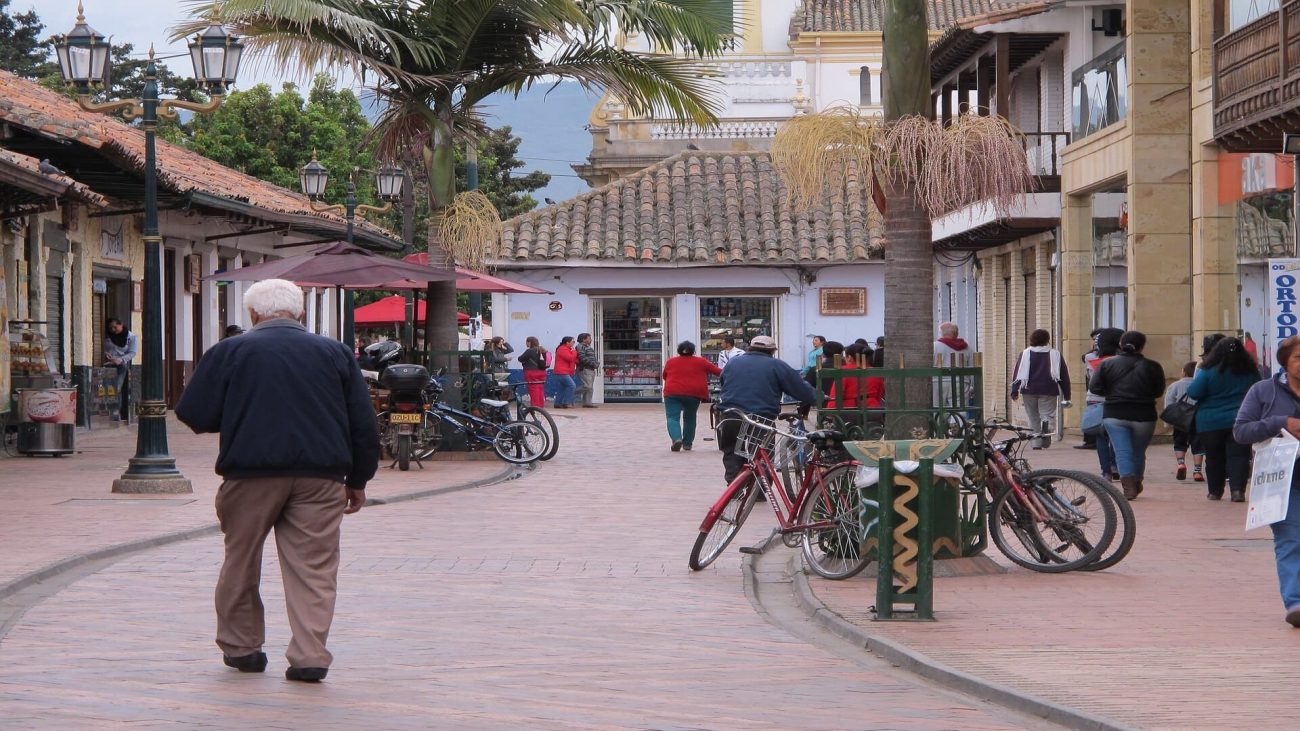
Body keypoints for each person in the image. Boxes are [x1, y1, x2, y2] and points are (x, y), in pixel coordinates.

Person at [175, 278, 377, 683]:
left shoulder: (230, 352)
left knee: (241, 560)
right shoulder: (335, 353)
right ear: (300, 313)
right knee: (314, 567)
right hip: (320, 476)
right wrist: (358, 478)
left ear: (252, 315)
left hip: (250, 473)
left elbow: (194, 413)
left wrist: (237, 412)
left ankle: (242, 647)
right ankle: (309, 656)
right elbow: (363, 424)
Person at [1233, 335, 1300, 627]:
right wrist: (1280, 423)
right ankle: (1296, 602)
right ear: (1285, 360)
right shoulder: (1263, 391)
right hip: (1282, 480)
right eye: (1299, 357)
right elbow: (1241, 432)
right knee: (1291, 540)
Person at [716, 335, 818, 483]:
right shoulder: (776, 365)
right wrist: (818, 397)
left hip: (731, 414)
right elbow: (800, 389)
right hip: (761, 416)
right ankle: (759, 490)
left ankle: (733, 487)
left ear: (750, 348)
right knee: (761, 454)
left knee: (732, 451)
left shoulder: (733, 363)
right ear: (772, 351)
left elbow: (723, 382)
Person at [1088, 330, 1166, 500]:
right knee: (1138, 451)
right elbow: (1158, 391)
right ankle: (1136, 480)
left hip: (1115, 412)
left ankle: (1129, 485)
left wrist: (1111, 392)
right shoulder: (1153, 366)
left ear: (1121, 344)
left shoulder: (1107, 364)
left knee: (1122, 450)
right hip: (1144, 413)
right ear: (1142, 346)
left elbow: (1095, 388)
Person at [1186, 336, 1261, 501]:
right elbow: (1258, 391)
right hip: (1241, 419)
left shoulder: (1208, 371)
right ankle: (1237, 491)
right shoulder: (1250, 371)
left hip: (1210, 421)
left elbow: (1193, 392)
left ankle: (1215, 491)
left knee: (1214, 457)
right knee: (1239, 456)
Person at [1010, 329, 1072, 448]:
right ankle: (1046, 426)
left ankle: (1036, 444)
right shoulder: (1055, 354)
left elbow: (1017, 373)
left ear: (1032, 339)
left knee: (1033, 417)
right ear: (1047, 340)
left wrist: (1014, 390)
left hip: (1028, 390)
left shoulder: (1025, 353)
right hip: (1049, 389)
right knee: (1047, 414)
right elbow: (1064, 375)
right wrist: (1067, 395)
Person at [662, 340, 722, 451]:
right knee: (690, 417)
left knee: (672, 417)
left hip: (673, 392)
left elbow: (665, 376)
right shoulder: (701, 361)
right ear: (693, 351)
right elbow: (719, 372)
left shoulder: (671, 362)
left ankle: (676, 439)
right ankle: (687, 443)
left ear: (679, 351)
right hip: (694, 393)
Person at [1084, 328, 1124, 478]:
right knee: (1116, 434)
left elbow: (1089, 377)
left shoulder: (1089, 357)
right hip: (1116, 399)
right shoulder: (1122, 359)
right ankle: (1115, 466)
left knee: (1101, 436)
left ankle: (1106, 471)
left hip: (1095, 398)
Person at [1164, 361, 1205, 482]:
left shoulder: (1175, 385)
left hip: (1180, 419)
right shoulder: (1200, 384)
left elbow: (1169, 403)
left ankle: (1181, 464)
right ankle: (1197, 471)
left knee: (1179, 442)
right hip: (1197, 419)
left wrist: (1168, 422)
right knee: (1198, 445)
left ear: (1184, 372)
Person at [826, 342, 883, 409]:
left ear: (849, 357)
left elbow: (836, 396)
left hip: (850, 410)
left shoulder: (843, 371)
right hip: (873, 409)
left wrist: (830, 411)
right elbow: (879, 395)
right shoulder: (876, 372)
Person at [103, 317, 137, 422]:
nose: (113, 330)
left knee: (117, 388)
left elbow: (132, 352)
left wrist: (121, 360)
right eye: (111, 328)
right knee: (105, 388)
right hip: (106, 365)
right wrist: (106, 354)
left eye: (115, 327)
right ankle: (106, 412)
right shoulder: (107, 336)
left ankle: (116, 412)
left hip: (120, 365)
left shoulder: (131, 337)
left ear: (121, 324)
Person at [518, 336, 550, 407]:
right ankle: (541, 406)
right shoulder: (542, 349)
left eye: (526, 342)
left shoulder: (530, 350)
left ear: (529, 342)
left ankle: (535, 406)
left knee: (533, 390)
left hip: (532, 372)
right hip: (542, 372)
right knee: (540, 389)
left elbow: (520, 358)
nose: (526, 344)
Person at [552, 336, 578, 408]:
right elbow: (570, 358)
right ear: (567, 342)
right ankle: (566, 403)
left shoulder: (567, 349)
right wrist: (574, 352)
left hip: (565, 371)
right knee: (572, 386)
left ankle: (557, 403)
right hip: (562, 371)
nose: (574, 343)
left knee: (562, 387)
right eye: (573, 342)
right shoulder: (562, 349)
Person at [574, 333, 599, 408]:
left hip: (591, 368)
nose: (591, 339)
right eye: (589, 338)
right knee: (587, 386)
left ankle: (587, 403)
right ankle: (571, 392)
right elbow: (582, 357)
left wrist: (596, 363)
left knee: (590, 387)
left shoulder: (587, 347)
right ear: (583, 339)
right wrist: (593, 364)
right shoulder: (580, 346)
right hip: (585, 368)